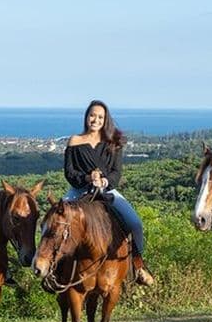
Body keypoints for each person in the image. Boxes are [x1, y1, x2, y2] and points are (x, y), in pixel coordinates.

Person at [63, 100, 154, 286]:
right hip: (79, 190)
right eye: (92, 115)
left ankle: (138, 265)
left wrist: (104, 181)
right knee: (54, 222)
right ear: (86, 116)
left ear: (105, 120)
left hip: (107, 190)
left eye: (100, 117)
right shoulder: (74, 141)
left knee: (135, 224)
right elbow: (69, 173)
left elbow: (116, 173)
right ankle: (53, 271)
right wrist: (88, 178)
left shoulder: (113, 143)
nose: (95, 120)